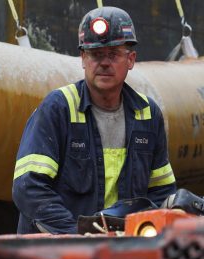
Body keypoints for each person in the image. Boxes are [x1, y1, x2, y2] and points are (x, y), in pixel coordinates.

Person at [12, 6, 176, 234]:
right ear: (83, 59)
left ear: (131, 59)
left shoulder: (147, 114)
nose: (104, 63)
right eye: (96, 54)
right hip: (56, 253)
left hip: (121, 252)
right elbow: (28, 188)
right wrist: (77, 235)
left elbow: (161, 193)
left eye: (113, 54)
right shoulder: (59, 109)